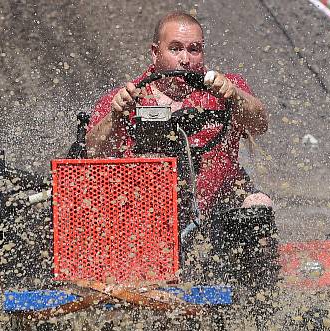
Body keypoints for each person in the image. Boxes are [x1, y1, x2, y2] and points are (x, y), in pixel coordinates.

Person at [85, 11, 271, 214]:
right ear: (155, 53)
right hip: (146, 210)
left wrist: (235, 96)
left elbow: (260, 126)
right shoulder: (126, 97)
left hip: (220, 205)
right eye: (175, 49)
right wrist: (116, 116)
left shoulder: (226, 89)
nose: (185, 59)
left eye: (194, 49)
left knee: (259, 204)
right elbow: (93, 153)